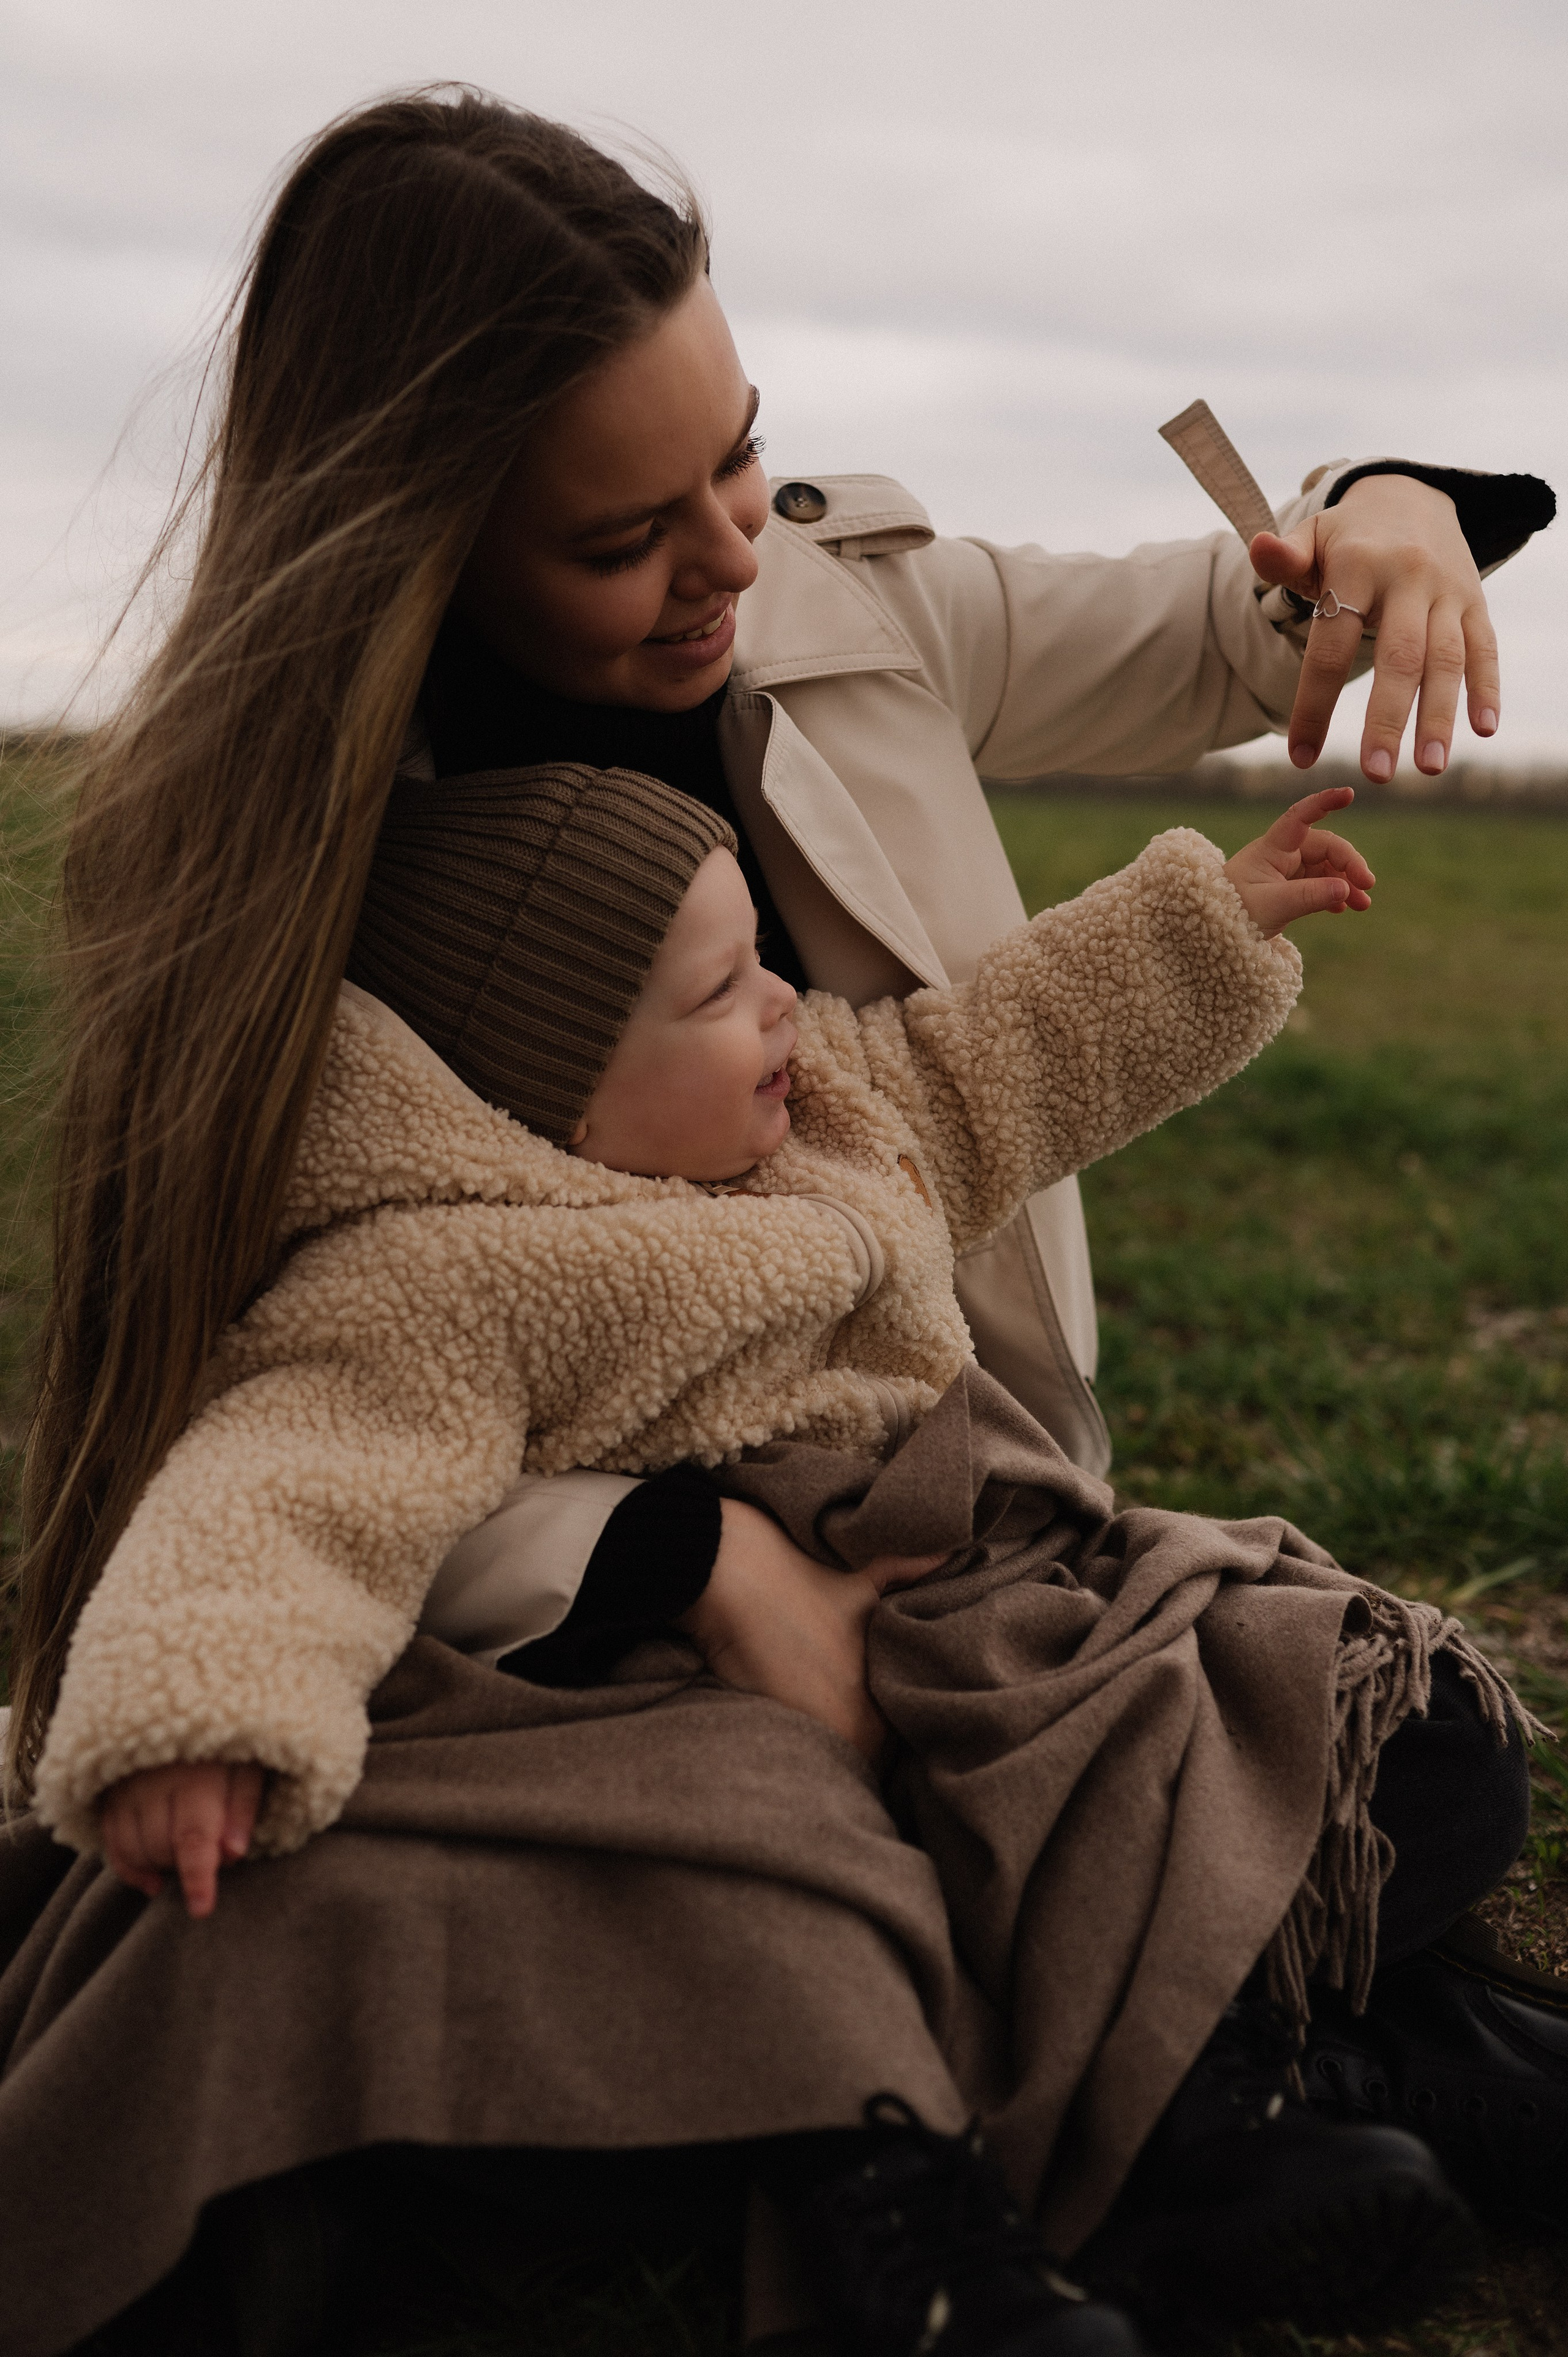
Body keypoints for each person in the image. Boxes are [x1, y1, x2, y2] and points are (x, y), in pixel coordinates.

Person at [1, 86, 1559, 2357]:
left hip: (959, 1530)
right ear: (420, 547)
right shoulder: (258, 874)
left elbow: (1202, 692)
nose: (727, 554)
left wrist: (1393, 514)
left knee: (1324, 1718)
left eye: (740, 456)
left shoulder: (848, 597)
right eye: (624, 536)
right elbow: (295, 1430)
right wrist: (684, 1564)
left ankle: (1274, 2077)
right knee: (638, 1861)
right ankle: (1193, 2119)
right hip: (544, 1649)